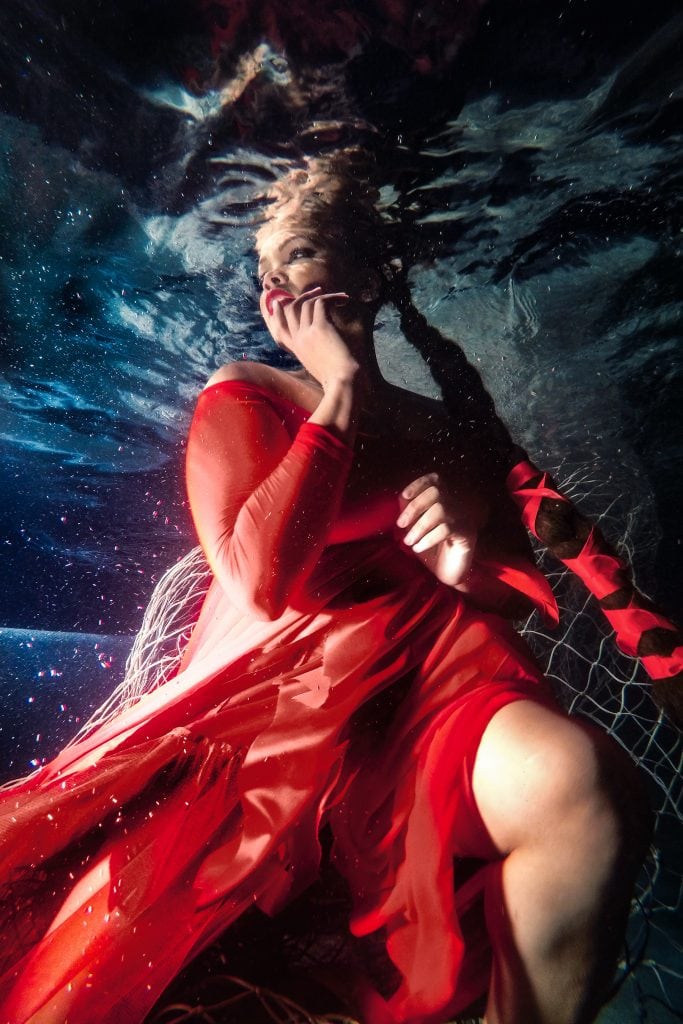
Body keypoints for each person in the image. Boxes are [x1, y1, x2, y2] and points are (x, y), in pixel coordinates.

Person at [0, 156, 656, 1024]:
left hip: (434, 685)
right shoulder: (246, 393)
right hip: (276, 708)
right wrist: (339, 391)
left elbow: (510, 595)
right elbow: (258, 581)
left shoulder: (444, 427)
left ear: (368, 279)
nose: (276, 283)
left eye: (299, 255)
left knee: (588, 787)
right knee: (113, 950)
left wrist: (465, 568)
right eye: (265, 267)